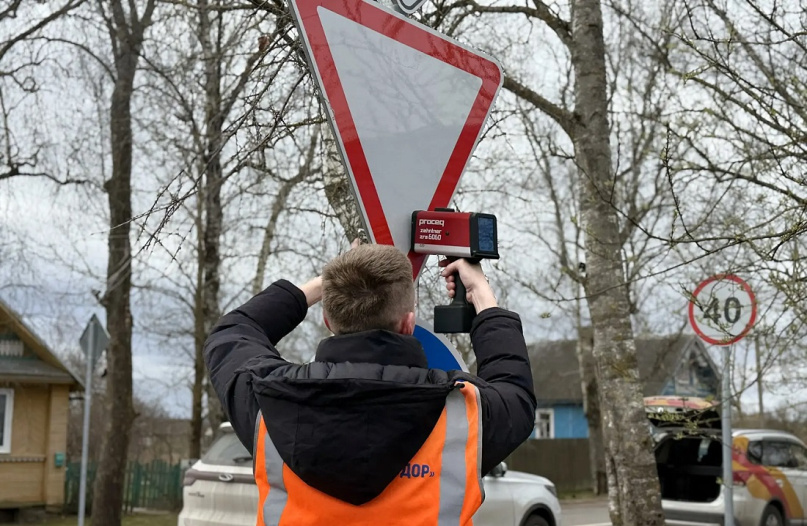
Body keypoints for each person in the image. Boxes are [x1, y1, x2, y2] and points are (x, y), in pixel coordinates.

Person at [205, 242, 536, 526]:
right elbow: (513, 387)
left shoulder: (267, 399)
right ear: (409, 323)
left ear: (327, 320)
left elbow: (235, 330)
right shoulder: (464, 412)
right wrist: (480, 292)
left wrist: (328, 283)